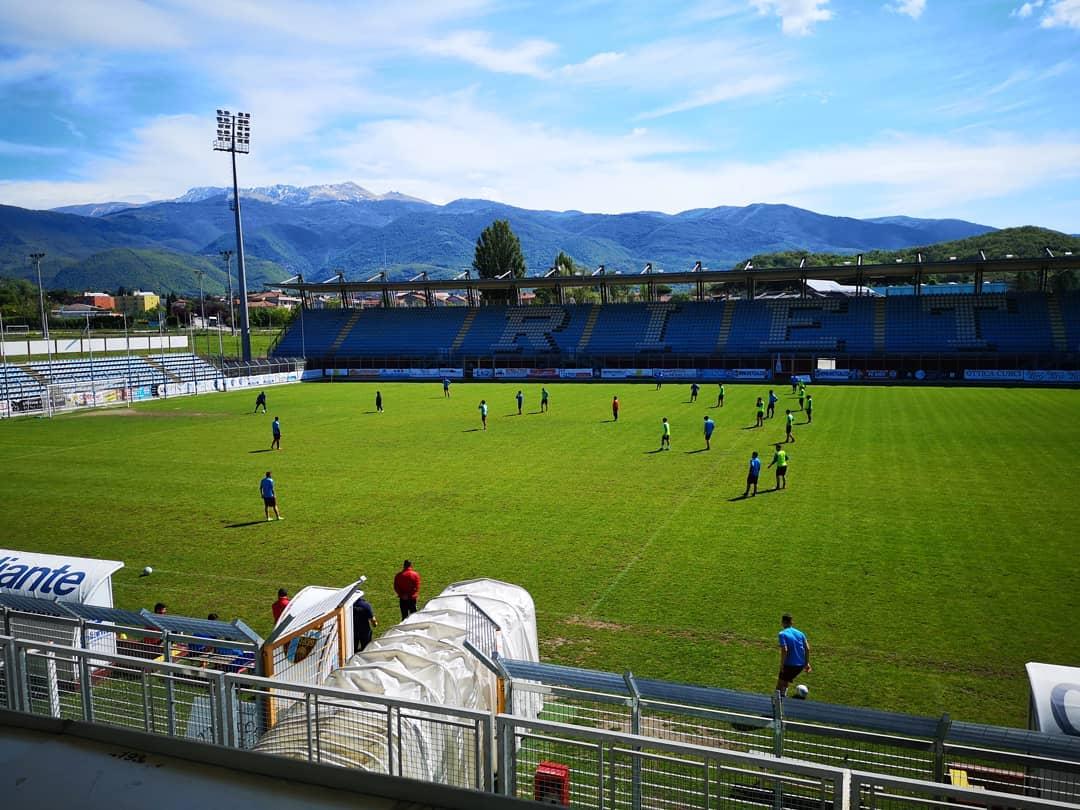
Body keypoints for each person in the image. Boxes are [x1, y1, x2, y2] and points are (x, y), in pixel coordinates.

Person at [776, 613, 811, 697]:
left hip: (789, 664)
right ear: (792, 622)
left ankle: (776, 703)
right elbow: (807, 648)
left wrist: (782, 664)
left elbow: (785, 650)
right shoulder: (800, 633)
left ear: (782, 622)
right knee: (786, 680)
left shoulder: (782, 634)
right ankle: (784, 695)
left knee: (780, 685)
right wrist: (806, 663)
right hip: (800, 666)